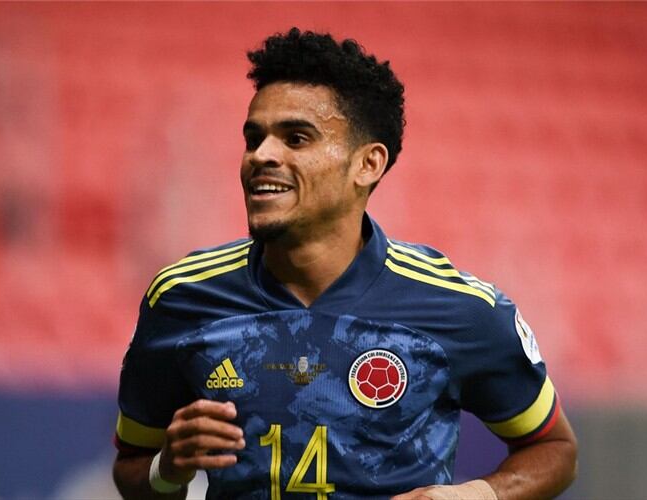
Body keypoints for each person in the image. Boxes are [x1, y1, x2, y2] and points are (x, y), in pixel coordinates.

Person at [112, 28, 577, 500]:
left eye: (296, 138)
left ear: (368, 164)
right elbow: (131, 466)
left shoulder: (462, 309)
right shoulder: (181, 298)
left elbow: (554, 449)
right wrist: (166, 469)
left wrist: (475, 495)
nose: (261, 156)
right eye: (254, 138)